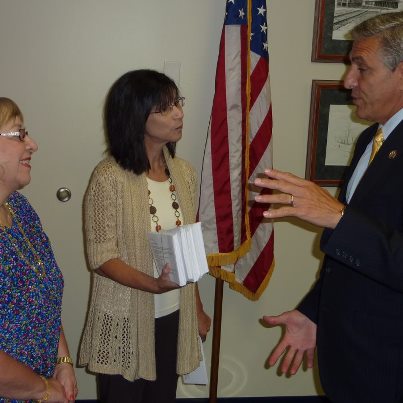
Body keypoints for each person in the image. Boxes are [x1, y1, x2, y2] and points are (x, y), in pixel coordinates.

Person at [254, 11, 403, 403]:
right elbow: (353, 253)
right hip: (352, 359)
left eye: (361, 68)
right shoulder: (373, 138)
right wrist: (314, 312)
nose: (347, 82)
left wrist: (336, 216)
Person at [79, 69, 211, 403]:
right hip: (124, 320)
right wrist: (153, 284)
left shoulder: (183, 173)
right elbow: (101, 256)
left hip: (172, 317)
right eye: (164, 108)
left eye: (177, 103)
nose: (178, 113)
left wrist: (195, 308)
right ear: (137, 117)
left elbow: (186, 249)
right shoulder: (109, 177)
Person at [0, 97, 77, 402]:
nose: (33, 144)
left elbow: (44, 293)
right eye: (19, 134)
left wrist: (63, 361)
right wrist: (43, 390)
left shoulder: (20, 208)